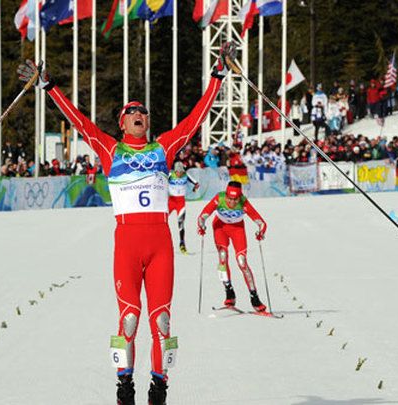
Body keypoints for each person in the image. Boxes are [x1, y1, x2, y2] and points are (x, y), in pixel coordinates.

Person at [17, 41, 234, 405]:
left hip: (160, 242)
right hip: (128, 243)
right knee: (129, 319)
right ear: (122, 122)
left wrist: (217, 75)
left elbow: (195, 119)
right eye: (133, 112)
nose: (140, 115)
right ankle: (124, 388)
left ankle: (160, 388)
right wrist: (49, 86)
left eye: (145, 112)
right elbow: (78, 121)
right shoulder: (109, 149)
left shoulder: (163, 147)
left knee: (162, 323)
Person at [196, 181, 268, 312]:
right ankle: (229, 291)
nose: (232, 202)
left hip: (237, 229)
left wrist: (261, 232)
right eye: (229, 198)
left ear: (240, 197)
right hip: (220, 227)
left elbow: (261, 222)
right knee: (222, 258)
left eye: (235, 199)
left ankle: (254, 296)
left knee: (242, 262)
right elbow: (203, 215)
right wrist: (201, 226)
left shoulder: (244, 203)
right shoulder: (220, 198)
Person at [168, 161, 199, 254]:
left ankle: (182, 245)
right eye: (177, 172)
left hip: (181, 202)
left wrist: (194, 188)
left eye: (181, 172)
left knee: (181, 224)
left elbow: (196, 183)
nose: (179, 174)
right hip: (171, 201)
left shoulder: (186, 175)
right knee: (162, 221)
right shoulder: (170, 175)